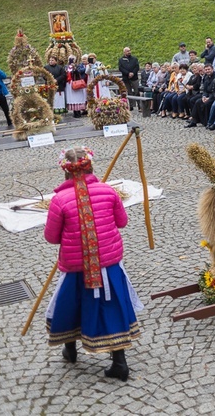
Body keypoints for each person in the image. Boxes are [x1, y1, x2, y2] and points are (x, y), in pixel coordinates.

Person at [44, 147, 142, 382]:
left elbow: (51, 237)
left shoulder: (59, 200)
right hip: (109, 265)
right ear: (90, 166)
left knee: (71, 305)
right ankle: (119, 361)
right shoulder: (108, 191)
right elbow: (122, 221)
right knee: (112, 307)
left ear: (66, 172)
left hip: (76, 267)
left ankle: (71, 349)